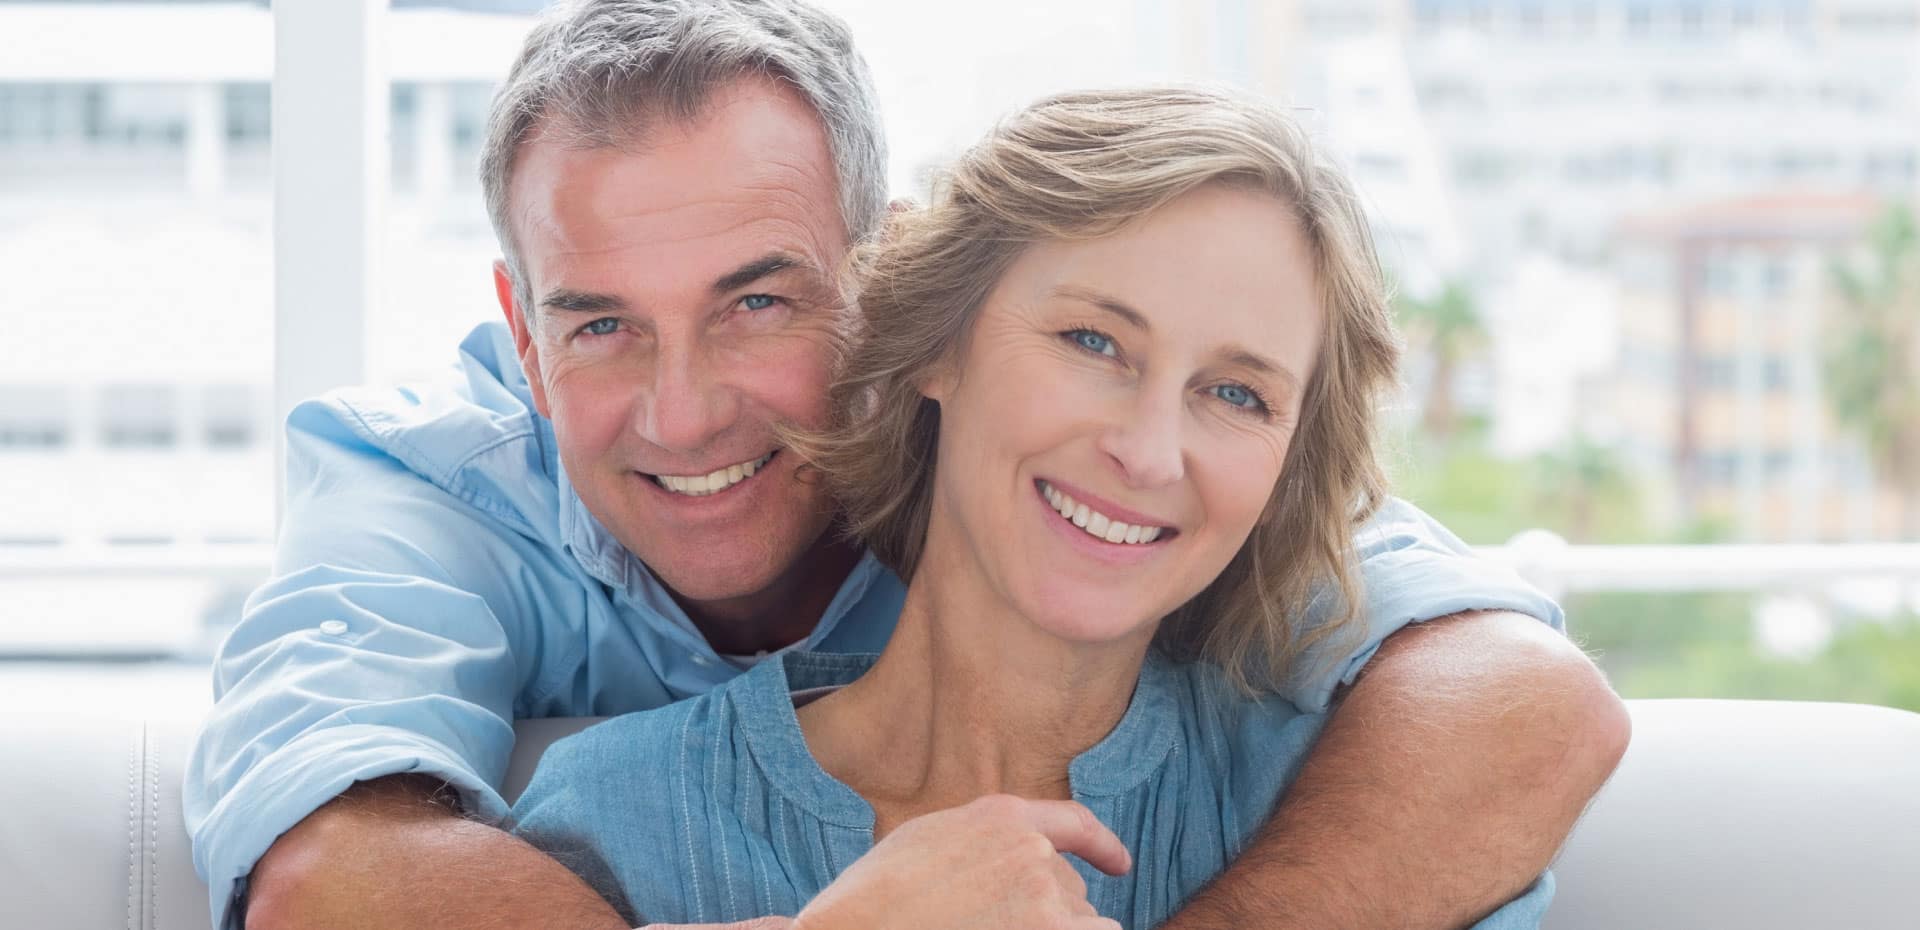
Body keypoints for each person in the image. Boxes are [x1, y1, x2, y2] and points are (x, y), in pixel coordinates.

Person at [184, 2, 1629, 929]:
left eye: (758, 301)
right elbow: (330, 881)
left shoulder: (1169, 555)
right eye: (605, 323)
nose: (683, 414)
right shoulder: (444, 503)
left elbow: (1523, 696)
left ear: (884, 294)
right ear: (522, 328)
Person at [508, 85, 1568, 930]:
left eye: (1236, 394)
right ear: (935, 343)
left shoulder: (1362, 831)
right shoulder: (619, 816)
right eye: (1093, 343)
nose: (1149, 452)